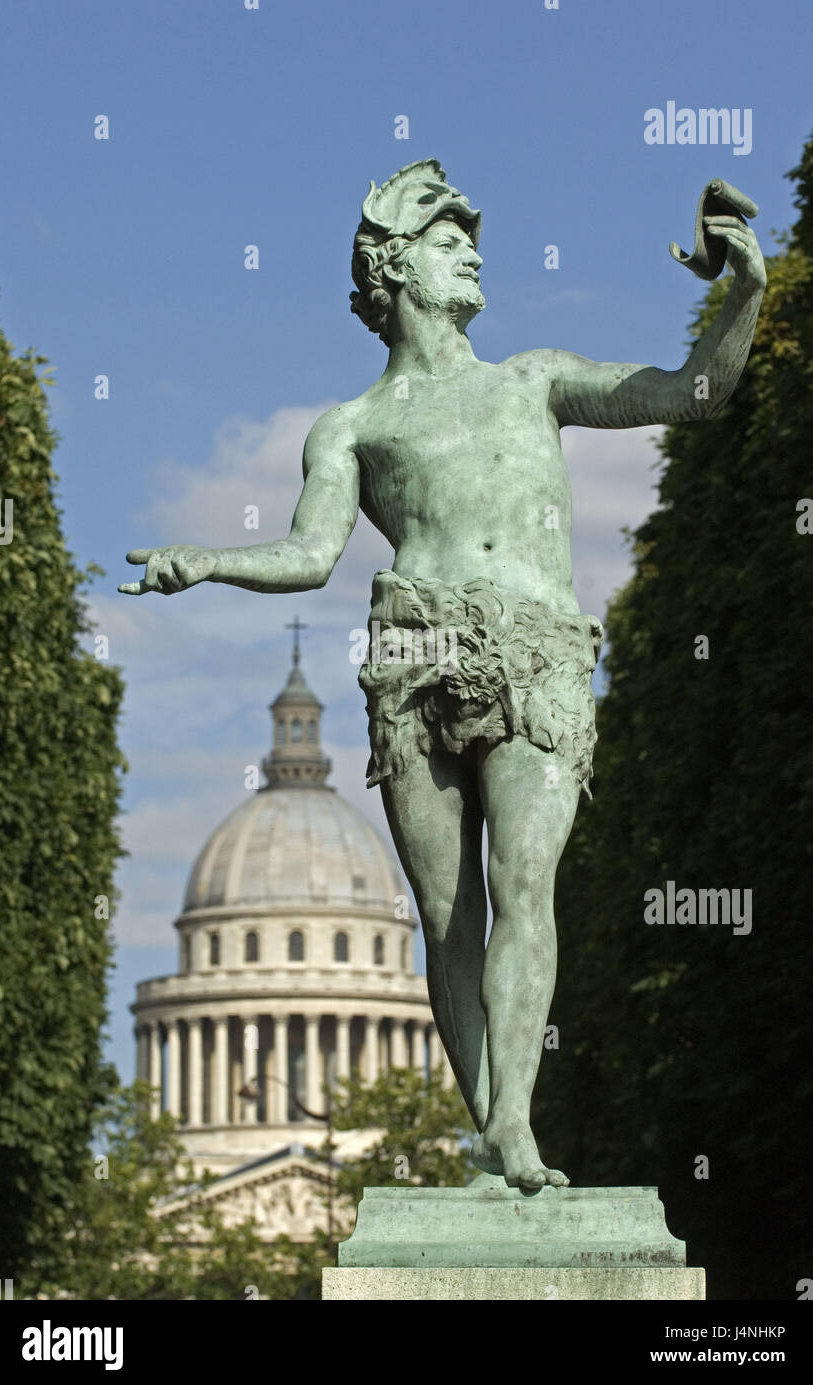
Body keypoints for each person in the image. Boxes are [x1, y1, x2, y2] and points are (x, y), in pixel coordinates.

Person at [121, 160, 765, 1190]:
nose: (470, 249)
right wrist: (205, 559)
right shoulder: (353, 426)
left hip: (533, 650)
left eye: (471, 237)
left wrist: (744, 293)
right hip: (411, 657)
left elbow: (690, 394)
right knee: (445, 915)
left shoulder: (533, 379)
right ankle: (487, 1131)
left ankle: (511, 1121)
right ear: (391, 265)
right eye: (444, 235)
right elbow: (306, 555)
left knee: (522, 879)